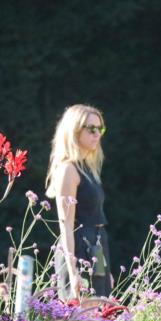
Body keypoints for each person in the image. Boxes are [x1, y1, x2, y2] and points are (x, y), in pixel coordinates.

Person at [45, 104, 112, 301]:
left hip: (97, 246)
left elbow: (96, 224)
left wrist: (105, 270)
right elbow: (66, 225)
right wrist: (73, 270)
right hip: (78, 250)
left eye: (100, 129)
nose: (97, 134)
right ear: (74, 131)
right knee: (81, 320)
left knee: (101, 313)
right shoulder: (68, 170)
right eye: (91, 128)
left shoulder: (88, 169)